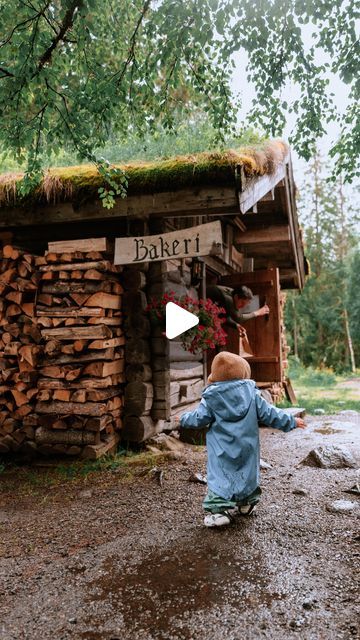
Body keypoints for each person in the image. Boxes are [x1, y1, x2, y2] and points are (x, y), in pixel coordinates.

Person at [177, 351, 306, 528]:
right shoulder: (252, 394)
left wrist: (183, 418)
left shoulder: (211, 397)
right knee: (247, 472)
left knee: (220, 475)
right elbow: (269, 413)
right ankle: (246, 503)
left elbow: (200, 418)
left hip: (221, 449)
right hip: (247, 446)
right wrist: (290, 420)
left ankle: (219, 511)